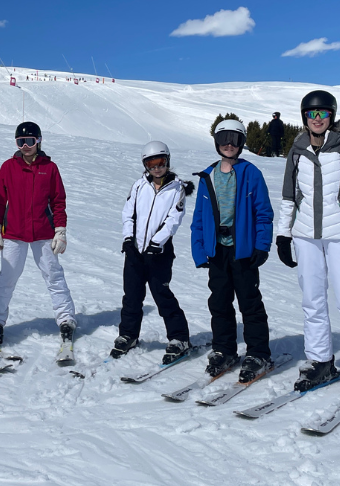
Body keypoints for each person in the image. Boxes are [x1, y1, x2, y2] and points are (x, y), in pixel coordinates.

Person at [276, 90, 340, 403]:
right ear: (304, 117)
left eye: (323, 114)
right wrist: (283, 235)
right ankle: (321, 361)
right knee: (312, 298)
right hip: (306, 235)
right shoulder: (297, 149)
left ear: (332, 117)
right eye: (312, 114)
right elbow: (288, 196)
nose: (318, 119)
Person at [191, 119, 275, 383]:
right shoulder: (208, 175)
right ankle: (224, 349)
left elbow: (264, 214)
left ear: (241, 143)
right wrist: (199, 249)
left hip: (243, 251)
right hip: (217, 251)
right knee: (219, 302)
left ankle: (258, 353)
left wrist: (262, 245)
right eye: (224, 138)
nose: (229, 144)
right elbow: (199, 218)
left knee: (249, 302)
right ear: (217, 142)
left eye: (235, 139)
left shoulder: (251, 173)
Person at [0, 122, 76, 344]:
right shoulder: (8, 167)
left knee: (53, 275)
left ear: (39, 141)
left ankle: (66, 319)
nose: (26, 146)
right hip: (14, 232)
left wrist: (60, 231)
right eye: (20, 142)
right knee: (7, 276)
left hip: (43, 232)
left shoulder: (50, 168)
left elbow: (58, 202)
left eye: (30, 141)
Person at [112, 142, 194, 362]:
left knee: (161, 294)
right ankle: (128, 334)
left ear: (167, 162)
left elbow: (172, 221)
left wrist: (156, 243)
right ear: (145, 165)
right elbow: (128, 213)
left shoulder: (177, 189)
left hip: (159, 253)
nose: (156, 168)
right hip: (135, 251)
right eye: (151, 164)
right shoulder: (139, 186)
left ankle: (179, 337)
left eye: (160, 163)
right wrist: (128, 239)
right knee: (132, 295)